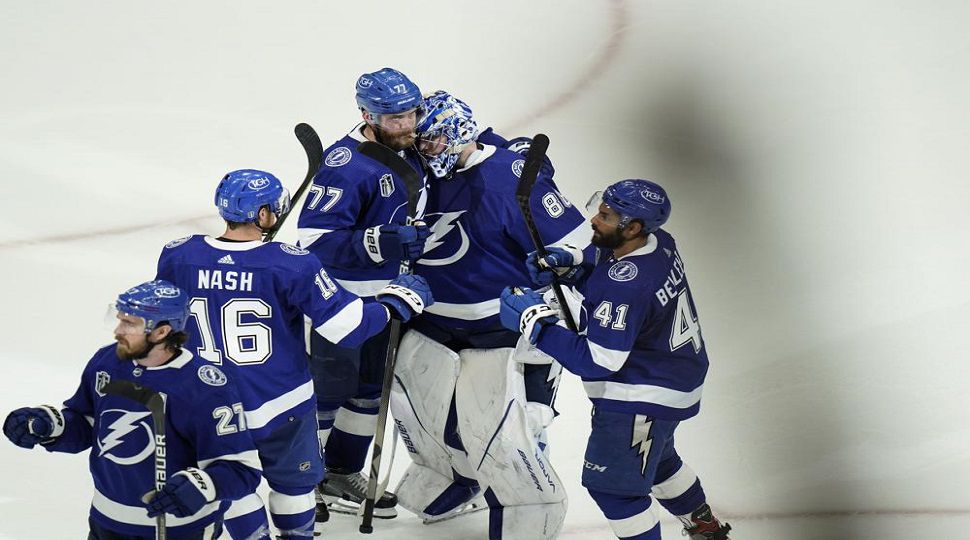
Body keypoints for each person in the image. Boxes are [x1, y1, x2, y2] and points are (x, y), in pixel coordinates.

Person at [156, 169, 432, 538]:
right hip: (279, 404)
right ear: (265, 215)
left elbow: (162, 324)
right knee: (294, 488)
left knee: (233, 484)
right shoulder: (291, 262)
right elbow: (346, 328)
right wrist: (395, 302)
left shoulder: (179, 255)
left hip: (206, 404)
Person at [388, 90, 590, 539]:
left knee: (499, 426)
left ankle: (532, 501)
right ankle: (457, 479)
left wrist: (557, 263)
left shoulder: (510, 178)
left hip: (495, 325)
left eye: (434, 141)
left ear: (459, 133)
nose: (424, 150)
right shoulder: (415, 173)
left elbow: (577, 246)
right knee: (421, 413)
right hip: (430, 318)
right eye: (420, 141)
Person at [499, 179, 732, 539]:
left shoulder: (626, 286)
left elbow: (598, 361)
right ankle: (706, 529)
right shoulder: (659, 243)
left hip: (643, 394)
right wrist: (573, 265)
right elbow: (607, 266)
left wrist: (536, 325)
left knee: (615, 490)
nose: (594, 219)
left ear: (633, 227)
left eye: (605, 216)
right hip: (674, 374)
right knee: (657, 463)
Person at [3, 280, 262, 539]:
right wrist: (51, 426)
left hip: (179, 530)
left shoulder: (204, 387)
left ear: (161, 332)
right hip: (107, 522)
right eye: (119, 319)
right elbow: (89, 424)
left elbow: (241, 470)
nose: (118, 330)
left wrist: (204, 486)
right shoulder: (106, 362)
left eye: (129, 323)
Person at [295, 67, 430, 520]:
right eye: (394, 119)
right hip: (339, 301)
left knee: (370, 391)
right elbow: (313, 240)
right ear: (367, 115)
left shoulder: (411, 148)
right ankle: (303, 479)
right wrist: (378, 241)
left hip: (388, 297)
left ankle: (340, 471)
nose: (406, 126)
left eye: (411, 114)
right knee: (326, 393)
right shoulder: (347, 166)